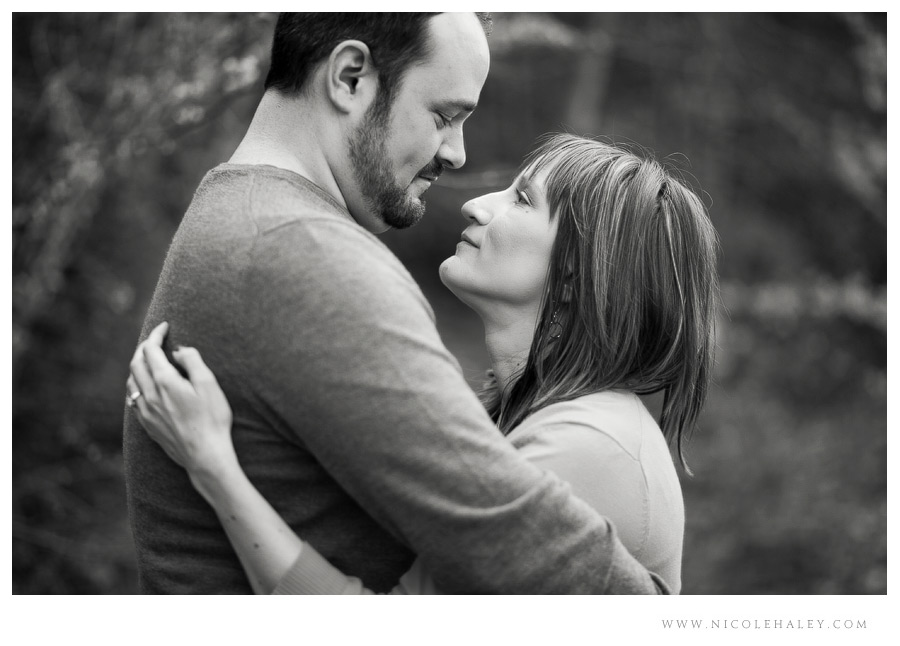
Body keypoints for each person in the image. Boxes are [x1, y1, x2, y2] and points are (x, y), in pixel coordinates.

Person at [124, 12, 671, 594]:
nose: (457, 154)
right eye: (443, 116)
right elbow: (510, 530)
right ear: (350, 78)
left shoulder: (245, 215)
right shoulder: (310, 259)